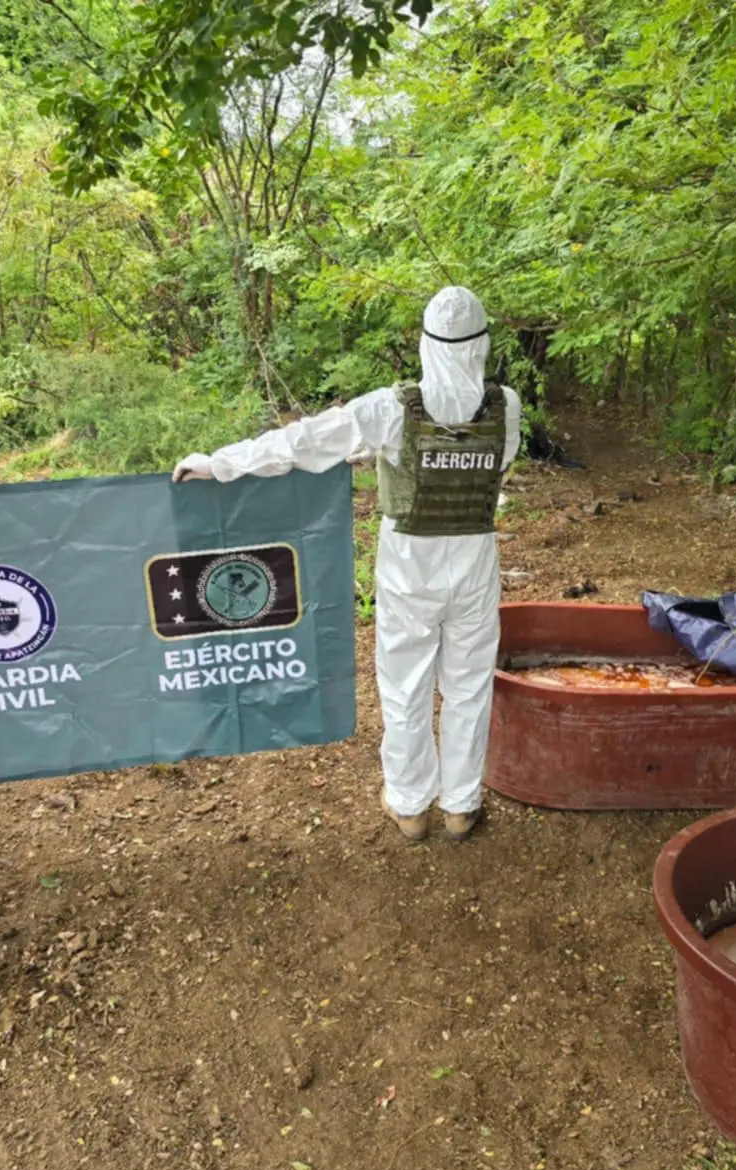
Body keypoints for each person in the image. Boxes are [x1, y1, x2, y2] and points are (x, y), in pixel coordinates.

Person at [174, 286, 520, 842]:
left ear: (427, 344)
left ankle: (409, 807)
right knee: (469, 686)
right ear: (481, 345)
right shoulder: (507, 405)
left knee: (405, 686)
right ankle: (461, 805)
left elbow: (303, 442)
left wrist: (219, 465)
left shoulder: (391, 408)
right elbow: (498, 462)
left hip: (410, 568)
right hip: (475, 562)